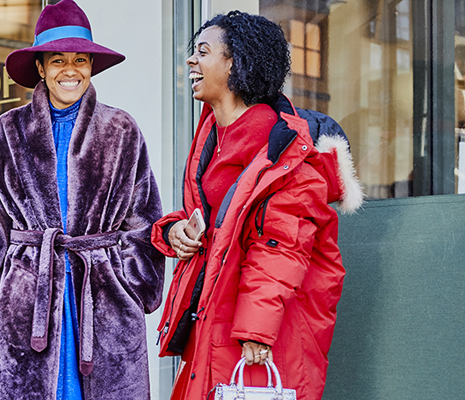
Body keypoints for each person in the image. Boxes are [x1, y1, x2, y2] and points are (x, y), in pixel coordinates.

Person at [150, 11, 363, 400]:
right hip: (219, 313)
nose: (190, 61)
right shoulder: (213, 135)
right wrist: (174, 231)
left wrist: (256, 330)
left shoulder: (284, 150)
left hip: (261, 329)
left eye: (203, 51)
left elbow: (281, 244)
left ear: (235, 62)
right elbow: (217, 222)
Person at [0, 1, 165, 399]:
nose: (70, 70)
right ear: (40, 67)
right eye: (57, 60)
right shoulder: (9, 130)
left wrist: (133, 283)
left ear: (91, 65)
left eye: (80, 59)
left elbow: (143, 218)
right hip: (30, 295)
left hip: (103, 295)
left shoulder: (121, 129)